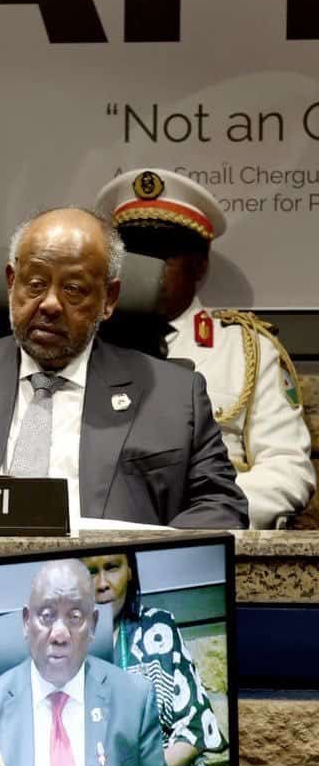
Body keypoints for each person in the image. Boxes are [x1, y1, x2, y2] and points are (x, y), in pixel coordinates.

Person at [0, 207, 246, 528]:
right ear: (11, 284)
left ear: (108, 300)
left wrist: (135, 560)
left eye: (74, 289)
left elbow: (221, 507)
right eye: (34, 284)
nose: (49, 304)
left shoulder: (174, 396)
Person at [95, 168, 314, 529]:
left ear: (199, 265)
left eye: (162, 255)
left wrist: (196, 519)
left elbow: (287, 470)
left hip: (213, 533)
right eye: (134, 254)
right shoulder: (87, 341)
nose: (146, 269)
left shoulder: (245, 349)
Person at [0, 559, 192, 766]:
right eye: (46, 615)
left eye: (75, 617)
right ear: (25, 622)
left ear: (93, 624)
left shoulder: (133, 698)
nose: (59, 634)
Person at [82, 551, 228, 766]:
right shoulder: (65, 646)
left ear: (130, 572)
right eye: (90, 572)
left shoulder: (157, 629)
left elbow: (196, 729)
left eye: (112, 567)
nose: (101, 583)